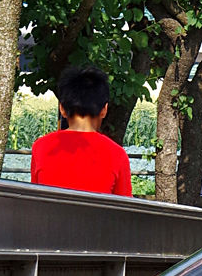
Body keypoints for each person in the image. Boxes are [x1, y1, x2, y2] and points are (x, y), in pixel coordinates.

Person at [30, 66, 133, 196]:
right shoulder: (117, 154)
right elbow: (125, 209)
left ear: (62, 108)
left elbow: (35, 200)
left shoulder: (41, 147)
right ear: (104, 110)